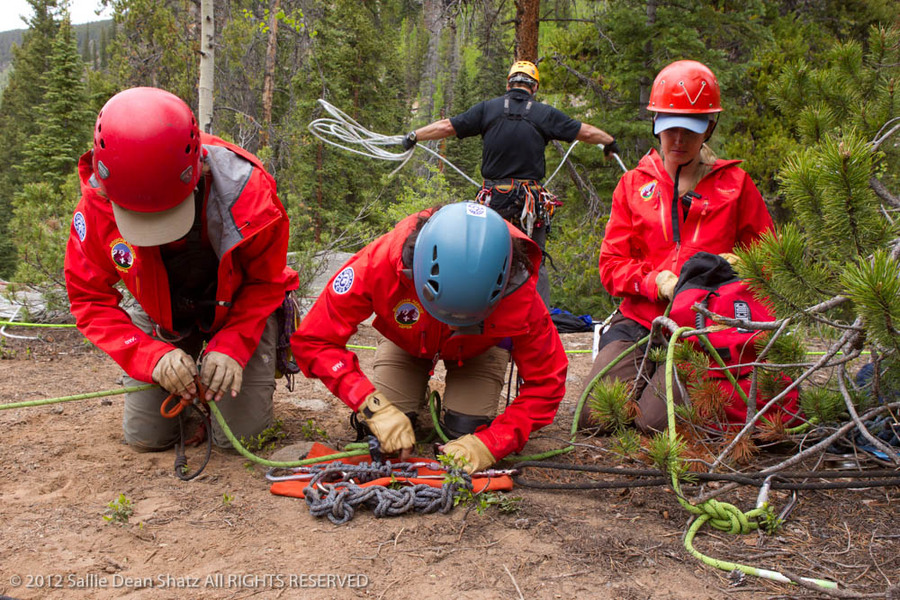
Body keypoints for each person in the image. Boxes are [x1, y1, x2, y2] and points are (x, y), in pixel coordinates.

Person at [64, 87, 299, 452]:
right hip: (161, 311)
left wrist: (233, 345)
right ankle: (190, 391)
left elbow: (266, 281)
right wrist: (149, 355)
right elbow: (89, 298)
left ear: (198, 168)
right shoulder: (97, 202)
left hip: (240, 306)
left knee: (240, 441)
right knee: (148, 439)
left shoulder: (248, 191)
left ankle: (234, 368)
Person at [291, 202, 567, 473]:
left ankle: (445, 412)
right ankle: (409, 401)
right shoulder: (380, 263)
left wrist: (492, 443)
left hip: (478, 351)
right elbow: (315, 340)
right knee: (382, 435)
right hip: (405, 341)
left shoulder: (518, 290)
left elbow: (546, 382)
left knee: (465, 431)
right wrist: (370, 404)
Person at [578, 60, 775, 433]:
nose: (679, 141)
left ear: (710, 128)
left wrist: (739, 265)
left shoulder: (735, 185)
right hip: (638, 319)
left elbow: (770, 258)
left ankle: (659, 388)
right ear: (656, 125)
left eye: (691, 130)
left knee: (655, 424)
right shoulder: (633, 186)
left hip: (702, 326)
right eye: (670, 130)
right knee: (595, 417)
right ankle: (644, 373)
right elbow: (611, 265)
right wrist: (656, 282)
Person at [399, 60, 619, 306]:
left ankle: (483, 310)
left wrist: (415, 135)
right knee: (534, 258)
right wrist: (608, 141)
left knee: (489, 256)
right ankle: (539, 318)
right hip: (529, 202)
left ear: (508, 84)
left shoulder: (488, 109)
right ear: (534, 87)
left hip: (494, 200)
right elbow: (585, 132)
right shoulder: (544, 114)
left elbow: (447, 126)